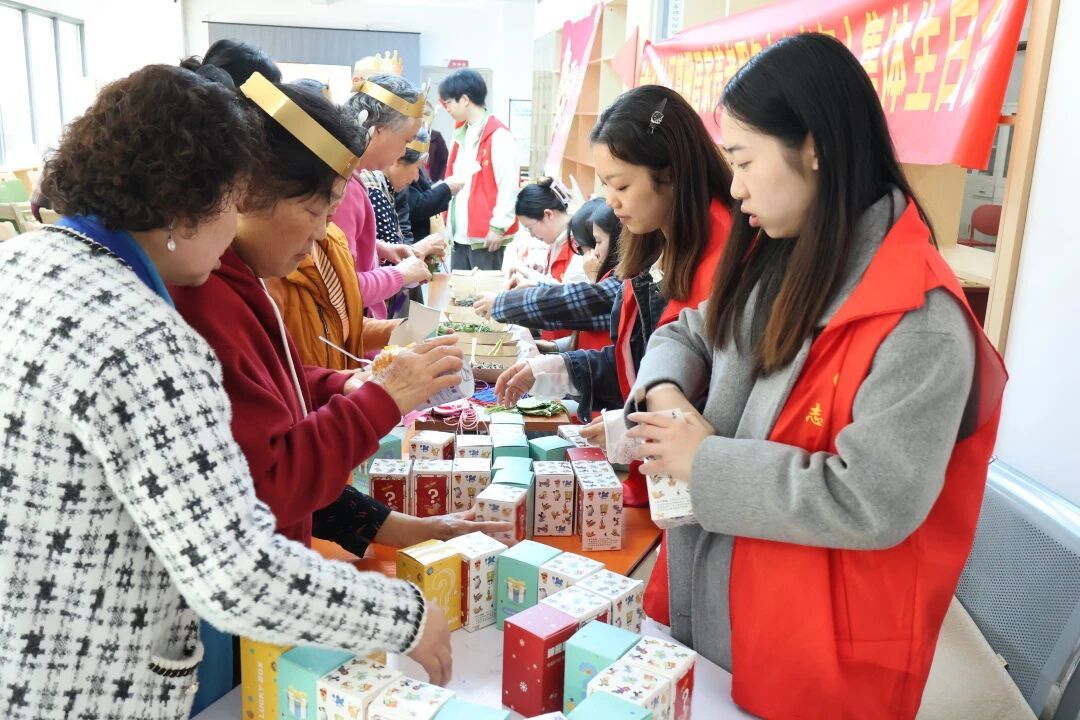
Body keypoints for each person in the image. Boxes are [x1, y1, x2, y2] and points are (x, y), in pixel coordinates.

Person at [0, 64, 449, 720]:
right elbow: (236, 570)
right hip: (98, 675)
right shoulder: (145, 333)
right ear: (191, 203)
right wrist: (406, 616)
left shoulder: (26, 261)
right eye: (233, 199)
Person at [624, 34, 1006, 720]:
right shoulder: (781, 258)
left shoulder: (919, 321)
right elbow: (687, 332)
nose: (734, 186)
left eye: (744, 161)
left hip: (812, 653)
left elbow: (872, 501)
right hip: (719, 604)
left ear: (814, 148)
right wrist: (668, 394)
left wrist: (704, 462)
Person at [173, 75, 505, 558]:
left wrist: (341, 384)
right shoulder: (205, 293)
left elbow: (277, 388)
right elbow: (269, 484)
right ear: (245, 193)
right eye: (315, 211)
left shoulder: (244, 275)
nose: (322, 234)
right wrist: (379, 397)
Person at [493, 84, 733, 435]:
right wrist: (557, 369)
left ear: (671, 174)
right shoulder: (655, 243)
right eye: (606, 185)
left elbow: (709, 394)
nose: (610, 201)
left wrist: (630, 426)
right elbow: (634, 358)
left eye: (621, 186)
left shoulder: (722, 258)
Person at [339, 73, 434, 319]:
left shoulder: (352, 178)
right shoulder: (344, 188)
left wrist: (379, 248)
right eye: (406, 140)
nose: (403, 152)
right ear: (378, 129)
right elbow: (341, 288)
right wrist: (400, 274)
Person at [472, 198, 621, 352]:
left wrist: (501, 303)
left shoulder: (620, 287)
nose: (593, 253)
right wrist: (554, 346)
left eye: (598, 242)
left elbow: (570, 302)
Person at [438, 68, 520, 271]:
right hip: (460, 234)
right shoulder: (461, 132)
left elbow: (508, 185)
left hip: (486, 236)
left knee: (483, 288)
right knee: (459, 287)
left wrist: (498, 226)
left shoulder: (499, 135)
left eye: (448, 102)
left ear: (465, 100)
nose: (446, 108)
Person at [361, 126, 448, 315]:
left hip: (388, 298)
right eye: (417, 168)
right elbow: (389, 267)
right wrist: (423, 248)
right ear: (397, 161)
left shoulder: (388, 187)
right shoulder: (374, 191)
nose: (416, 177)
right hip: (374, 304)